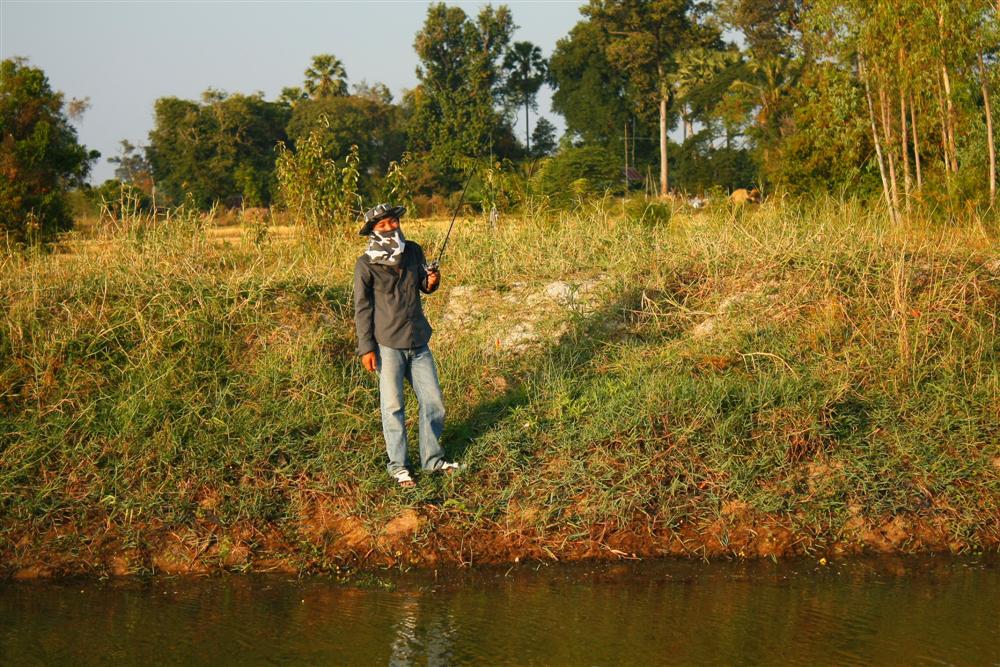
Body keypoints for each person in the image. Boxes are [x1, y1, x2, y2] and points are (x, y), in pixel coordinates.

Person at [353, 203, 461, 488]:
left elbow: (424, 285)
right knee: (393, 407)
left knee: (433, 402)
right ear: (373, 230)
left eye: (392, 222)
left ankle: (432, 461)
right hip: (386, 344)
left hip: (418, 339)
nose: (390, 227)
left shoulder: (413, 250)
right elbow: (362, 309)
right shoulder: (365, 264)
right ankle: (399, 467)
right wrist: (366, 349)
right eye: (382, 225)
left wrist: (433, 280)